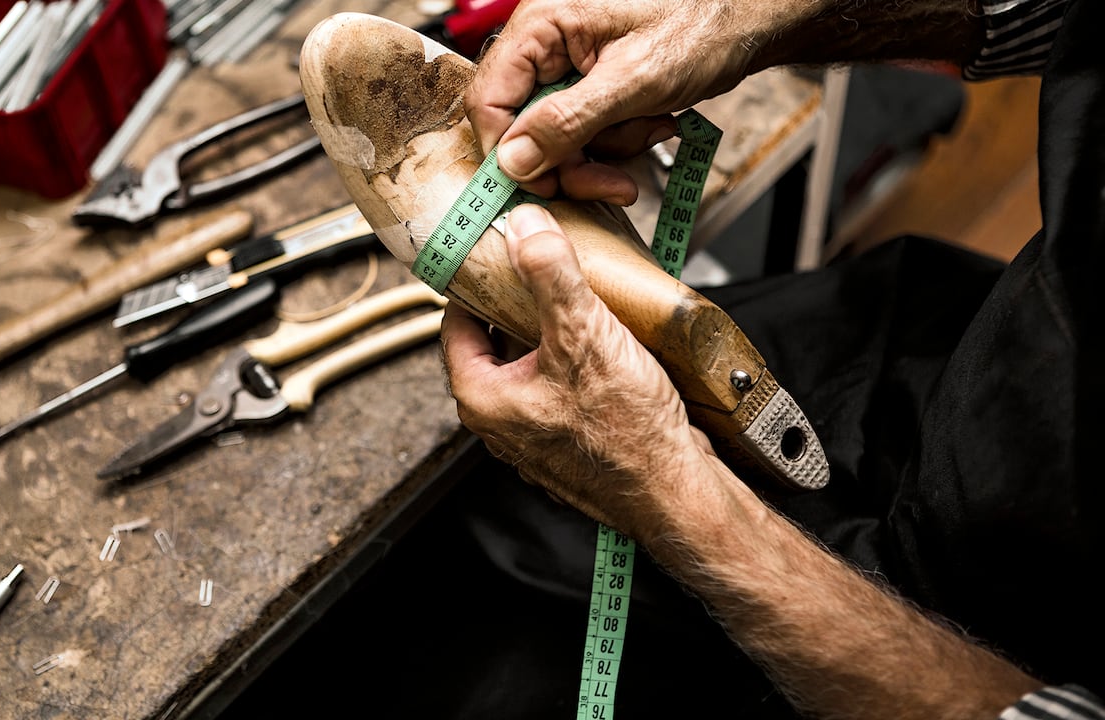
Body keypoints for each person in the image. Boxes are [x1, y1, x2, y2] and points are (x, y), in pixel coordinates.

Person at [435, 0, 1105, 718]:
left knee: (509, 566)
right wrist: (743, 16)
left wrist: (664, 488)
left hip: (988, 631)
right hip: (1002, 343)